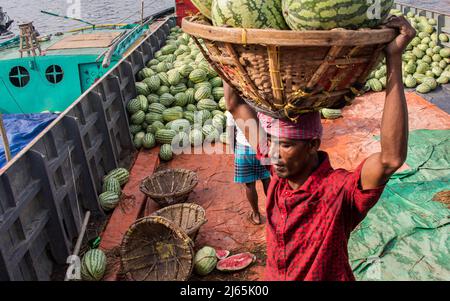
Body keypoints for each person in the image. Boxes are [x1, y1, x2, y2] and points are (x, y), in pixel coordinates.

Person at [224, 16, 416, 281]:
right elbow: (235, 104)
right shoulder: (277, 167)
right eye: (273, 142)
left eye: (287, 145)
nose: (275, 153)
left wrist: (394, 58)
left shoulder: (338, 190)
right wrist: (229, 44)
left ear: (313, 145)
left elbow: (390, 159)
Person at [225, 111, 271, 225]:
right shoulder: (260, 104)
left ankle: (256, 214)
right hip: (262, 147)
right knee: (266, 180)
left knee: (250, 184)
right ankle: (274, 211)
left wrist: (233, 150)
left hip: (243, 148)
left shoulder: (233, 108)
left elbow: (230, 132)